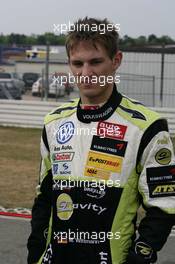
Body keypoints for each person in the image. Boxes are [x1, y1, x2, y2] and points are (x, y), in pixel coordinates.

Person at [27, 17, 175, 264]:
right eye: (78, 63)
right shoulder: (54, 123)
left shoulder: (147, 126)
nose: (86, 73)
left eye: (95, 62)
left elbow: (165, 204)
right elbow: (43, 198)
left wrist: (139, 257)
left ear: (116, 61)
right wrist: (35, 254)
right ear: (69, 65)